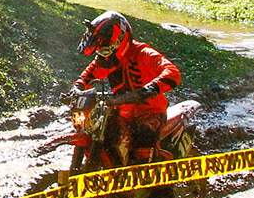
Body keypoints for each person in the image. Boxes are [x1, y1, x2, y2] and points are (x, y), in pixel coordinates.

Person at [71, 11, 182, 167]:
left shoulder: (144, 53)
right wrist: (76, 89)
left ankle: (157, 187)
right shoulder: (106, 59)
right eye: (99, 51)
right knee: (103, 135)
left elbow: (173, 72)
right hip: (121, 109)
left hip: (150, 111)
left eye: (104, 50)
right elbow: (88, 75)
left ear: (119, 42)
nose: (101, 56)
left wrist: (149, 89)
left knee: (142, 143)